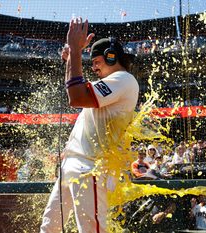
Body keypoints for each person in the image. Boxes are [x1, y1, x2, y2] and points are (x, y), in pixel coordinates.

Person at [40, 17, 139, 233]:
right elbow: (76, 89)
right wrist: (71, 60)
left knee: (90, 230)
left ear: (112, 57)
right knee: (49, 227)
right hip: (74, 165)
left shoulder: (124, 79)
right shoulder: (110, 83)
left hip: (90, 166)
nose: (93, 67)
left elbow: (76, 96)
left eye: (97, 62)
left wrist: (75, 52)